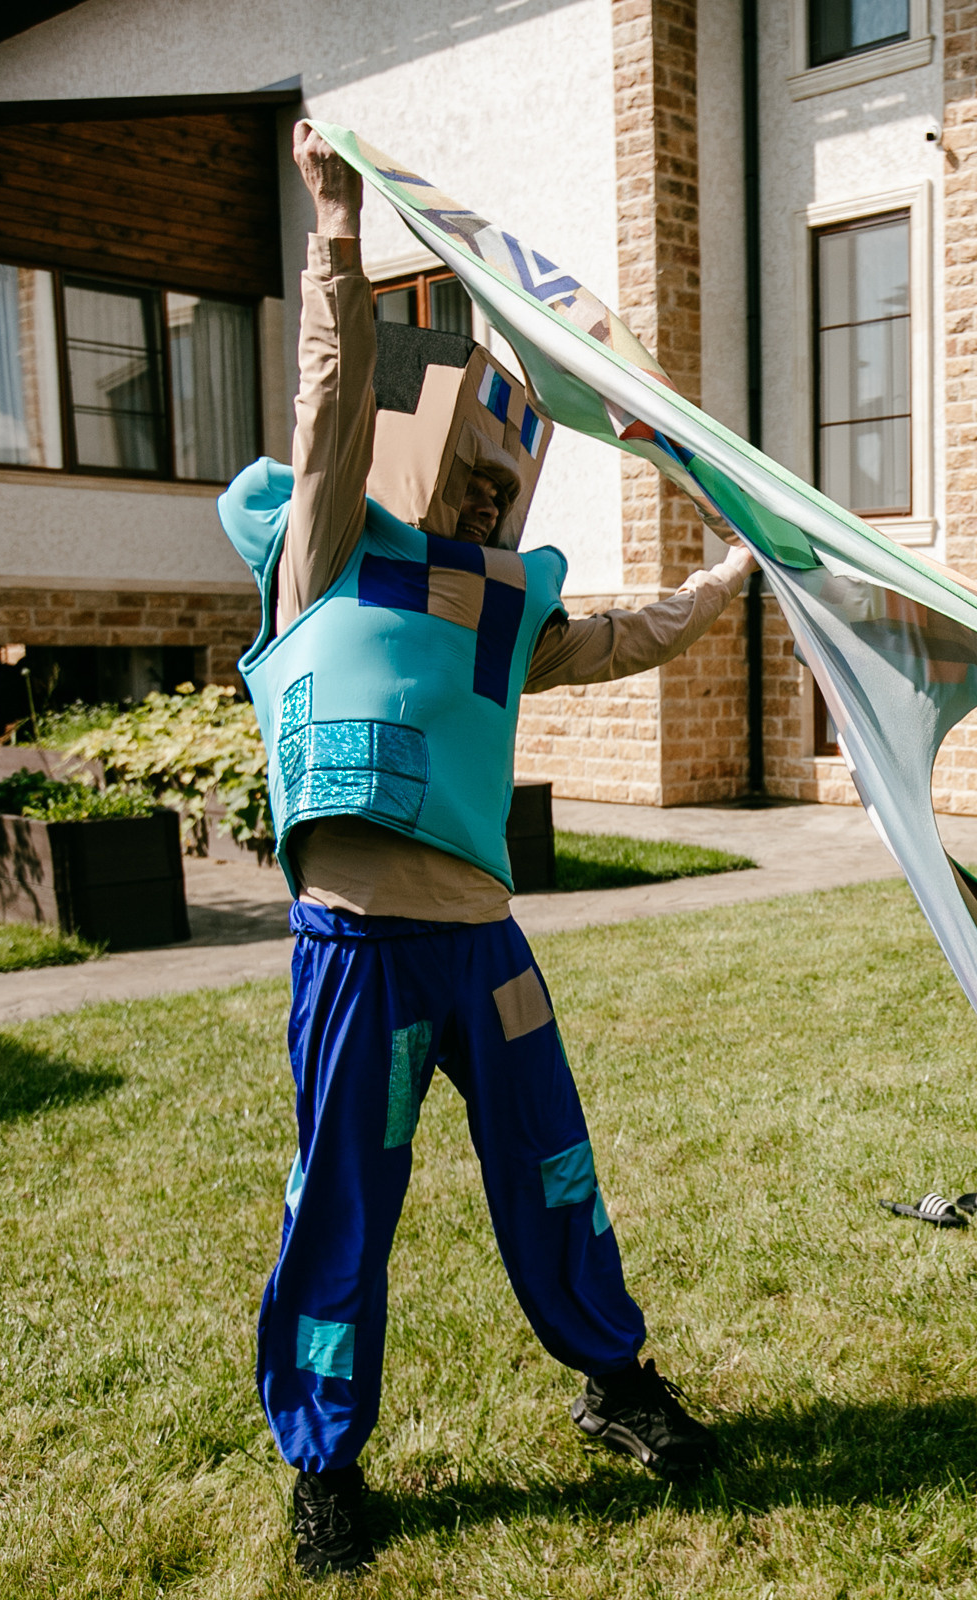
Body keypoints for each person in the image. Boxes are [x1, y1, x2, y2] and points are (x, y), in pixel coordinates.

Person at [220, 126, 755, 1576]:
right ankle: (323, 1457)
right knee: (345, 1198)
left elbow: (624, 635)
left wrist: (730, 573)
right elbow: (332, 409)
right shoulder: (324, 556)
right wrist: (333, 225)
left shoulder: (496, 607)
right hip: (359, 959)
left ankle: (614, 1380)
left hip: (484, 949)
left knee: (551, 1160)